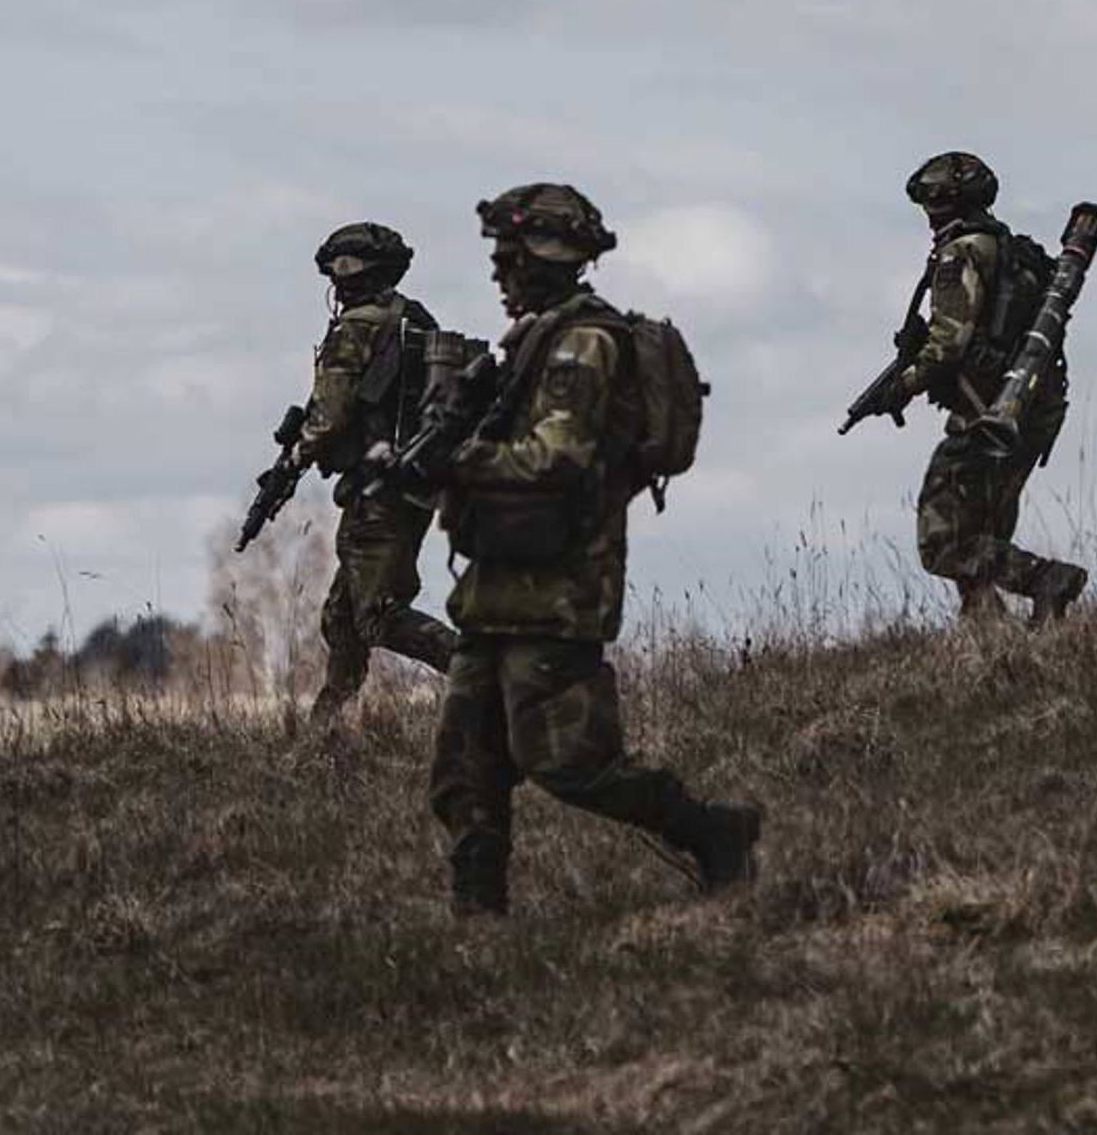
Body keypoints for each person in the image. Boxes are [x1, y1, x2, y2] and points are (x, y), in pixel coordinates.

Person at [421, 181, 759, 904]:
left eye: (506, 255)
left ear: (537, 258)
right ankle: (477, 926)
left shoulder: (584, 343)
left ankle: (713, 831)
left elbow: (557, 456)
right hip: (496, 587)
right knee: (463, 768)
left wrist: (457, 460)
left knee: (569, 760)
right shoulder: (533, 341)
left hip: (560, 587)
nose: (497, 270)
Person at [879, 151, 1091, 626]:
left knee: (941, 540)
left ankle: (1046, 579)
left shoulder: (962, 255)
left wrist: (904, 386)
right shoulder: (1017, 253)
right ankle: (987, 632)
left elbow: (949, 345)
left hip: (991, 414)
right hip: (1033, 406)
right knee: (982, 527)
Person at [291, 221, 462, 717]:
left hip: (378, 489)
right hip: (411, 484)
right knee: (341, 618)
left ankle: (484, 675)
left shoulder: (356, 326)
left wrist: (298, 453)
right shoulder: (414, 319)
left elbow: (330, 415)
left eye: (344, 267)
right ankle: (326, 724)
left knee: (376, 618)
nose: (338, 279)